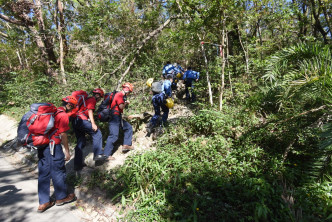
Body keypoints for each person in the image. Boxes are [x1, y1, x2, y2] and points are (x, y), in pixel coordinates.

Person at [37, 96, 77, 213]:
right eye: (72, 107)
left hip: (41, 144)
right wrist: (67, 151)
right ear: (69, 105)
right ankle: (61, 197)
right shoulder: (63, 115)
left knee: (43, 173)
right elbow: (63, 135)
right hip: (53, 147)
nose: (71, 109)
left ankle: (43, 202)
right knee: (58, 171)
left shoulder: (52, 112)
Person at [72, 88, 105, 171]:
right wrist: (93, 124)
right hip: (81, 120)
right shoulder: (92, 99)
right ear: (97, 95)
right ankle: (98, 154)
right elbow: (90, 110)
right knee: (97, 133)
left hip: (75, 121)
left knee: (81, 140)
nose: (99, 99)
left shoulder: (85, 100)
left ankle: (77, 164)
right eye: (100, 97)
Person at [103, 83, 134, 160]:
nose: (129, 94)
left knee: (128, 128)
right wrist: (126, 103)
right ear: (127, 90)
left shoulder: (120, 95)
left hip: (117, 116)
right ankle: (106, 155)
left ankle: (126, 145)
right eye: (129, 92)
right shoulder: (119, 95)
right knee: (114, 135)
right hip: (114, 117)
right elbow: (121, 106)